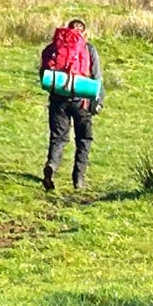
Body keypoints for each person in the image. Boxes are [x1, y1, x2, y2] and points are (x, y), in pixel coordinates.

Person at [39, 19, 104, 191]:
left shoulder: (54, 48)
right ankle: (78, 178)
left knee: (58, 138)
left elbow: (43, 74)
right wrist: (98, 102)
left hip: (58, 99)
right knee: (83, 139)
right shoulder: (88, 49)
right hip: (82, 101)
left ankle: (52, 166)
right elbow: (97, 78)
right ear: (85, 33)